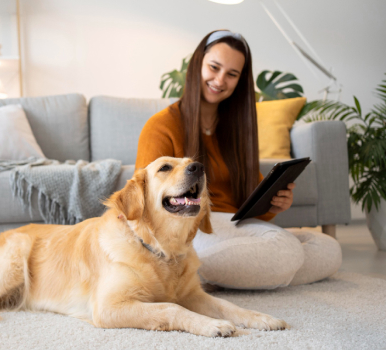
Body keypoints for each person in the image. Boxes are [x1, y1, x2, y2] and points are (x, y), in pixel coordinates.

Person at [135, 30, 342, 289]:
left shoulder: (235, 129)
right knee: (286, 251)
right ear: (197, 64)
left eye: (232, 74)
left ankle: (208, 278)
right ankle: (188, 273)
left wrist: (273, 203)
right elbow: (148, 204)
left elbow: (248, 200)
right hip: (194, 228)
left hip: (235, 226)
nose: (220, 80)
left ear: (240, 81)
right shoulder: (162, 126)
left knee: (327, 247)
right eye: (214, 67)